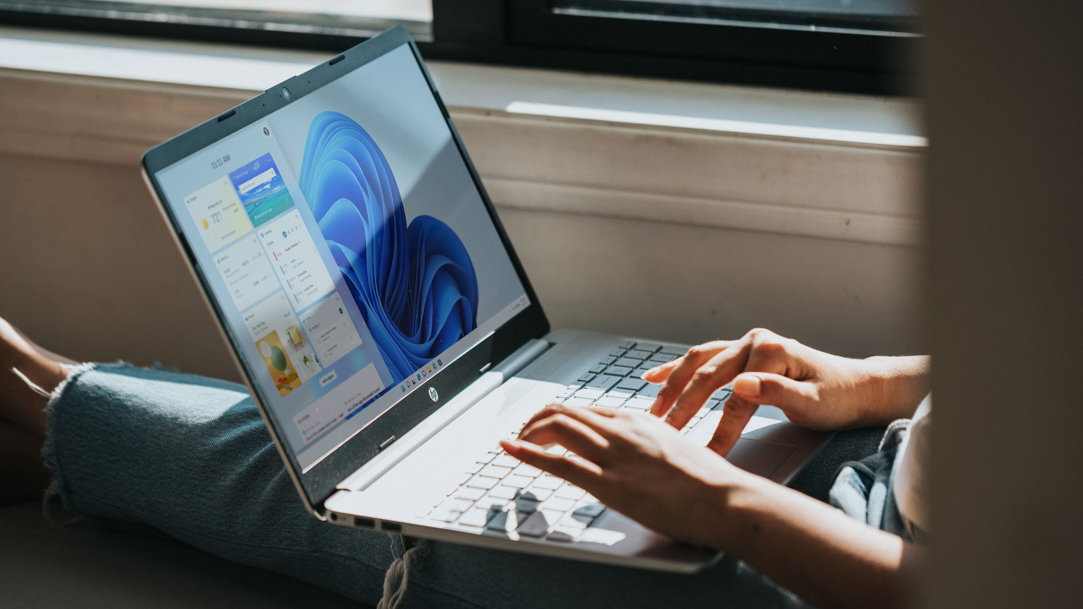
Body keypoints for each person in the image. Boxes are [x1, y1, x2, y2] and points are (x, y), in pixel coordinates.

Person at [0, 317, 928, 609]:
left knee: (344, 492)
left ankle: (33, 395)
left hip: (857, 575)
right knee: (405, 437)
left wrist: (718, 501)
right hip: (876, 464)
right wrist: (868, 383)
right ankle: (49, 423)